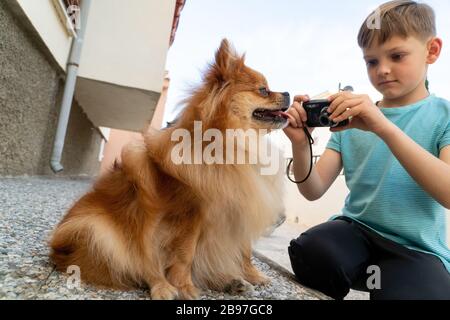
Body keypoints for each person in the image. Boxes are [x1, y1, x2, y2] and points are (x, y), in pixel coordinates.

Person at [283, 0, 450, 300]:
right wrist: (300, 142)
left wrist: (383, 127)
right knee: (312, 252)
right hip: (355, 233)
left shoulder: (443, 115)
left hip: (416, 251)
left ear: (432, 51)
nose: (382, 70)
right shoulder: (352, 120)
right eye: (371, 61)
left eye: (397, 56)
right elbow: (313, 188)